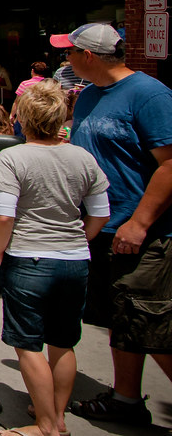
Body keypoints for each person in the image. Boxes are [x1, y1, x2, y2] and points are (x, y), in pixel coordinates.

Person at [48, 23, 172, 424]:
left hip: (142, 234)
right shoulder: (87, 97)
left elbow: (169, 164)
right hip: (101, 230)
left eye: (69, 53)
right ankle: (126, 399)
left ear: (88, 56)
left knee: (152, 327)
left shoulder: (150, 95)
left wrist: (140, 221)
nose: (64, 59)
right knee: (123, 320)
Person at [0, 80, 110, 436]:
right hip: (74, 259)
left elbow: (3, 215)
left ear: (23, 118)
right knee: (63, 342)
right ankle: (57, 416)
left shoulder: (13, 157)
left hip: (28, 257)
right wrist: (78, 240)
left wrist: (0, 250)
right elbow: (101, 212)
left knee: (27, 345)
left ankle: (44, 425)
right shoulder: (82, 157)